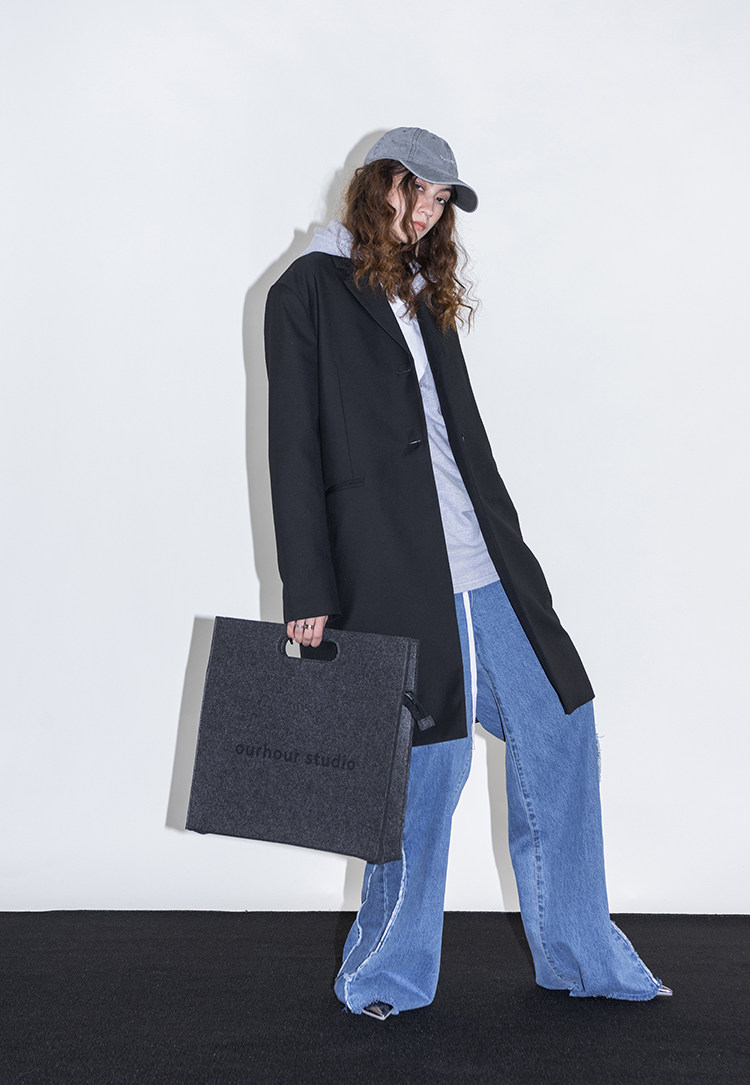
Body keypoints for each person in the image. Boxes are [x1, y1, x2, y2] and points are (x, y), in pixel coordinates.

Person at [264, 127, 670, 1019]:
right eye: (418, 190)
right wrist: (309, 592)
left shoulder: (422, 291)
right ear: (377, 184)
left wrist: (515, 548)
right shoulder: (305, 290)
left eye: (443, 200)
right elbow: (292, 451)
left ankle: (582, 955)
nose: (428, 211)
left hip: (485, 558)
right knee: (427, 769)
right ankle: (384, 974)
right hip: (392, 567)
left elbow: (460, 440)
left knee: (562, 722)